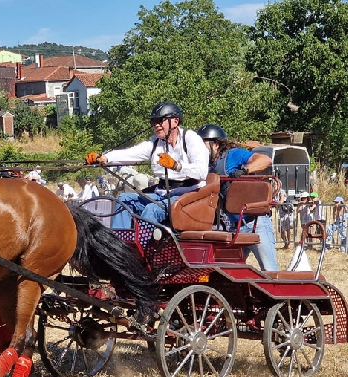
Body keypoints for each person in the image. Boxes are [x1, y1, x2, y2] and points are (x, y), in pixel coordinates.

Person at [85, 102, 209, 226]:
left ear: (175, 121)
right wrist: (104, 158)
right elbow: (131, 153)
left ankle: (143, 244)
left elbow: (202, 172)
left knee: (151, 210)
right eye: (153, 122)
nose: (156, 125)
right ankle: (119, 243)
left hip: (188, 196)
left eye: (160, 121)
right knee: (124, 200)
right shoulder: (155, 143)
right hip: (162, 194)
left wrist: (176, 166)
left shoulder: (191, 139)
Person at [197, 124, 278, 271]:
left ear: (215, 145)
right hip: (233, 228)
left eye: (201, 145)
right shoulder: (206, 168)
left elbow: (265, 160)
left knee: (270, 271)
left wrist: (245, 170)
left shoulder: (233, 155)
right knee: (228, 273)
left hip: (255, 224)